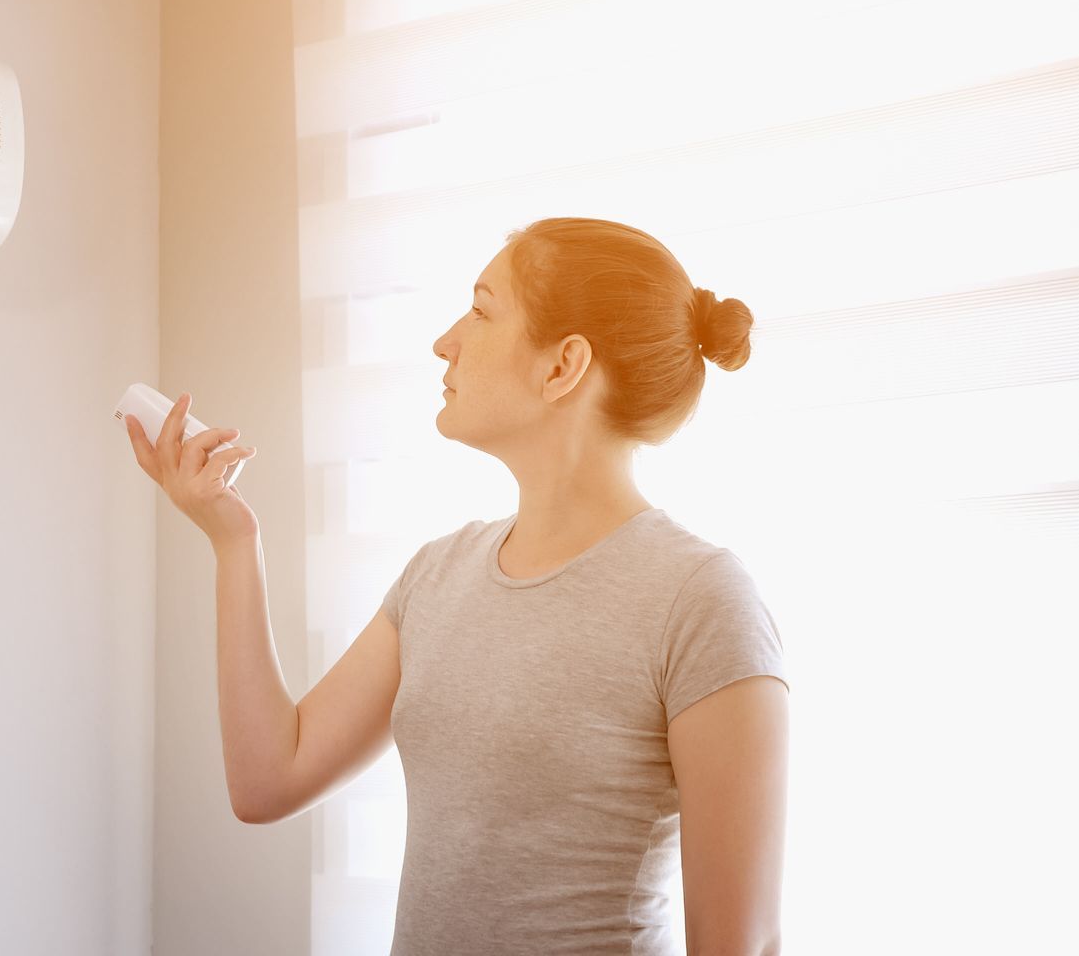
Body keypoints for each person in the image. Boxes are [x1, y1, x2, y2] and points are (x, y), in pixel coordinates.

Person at [124, 217, 788, 955]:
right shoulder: (437, 576)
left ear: (562, 366)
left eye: (480, 309)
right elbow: (265, 779)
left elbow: (741, 944)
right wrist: (232, 540)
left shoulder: (700, 599)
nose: (447, 341)